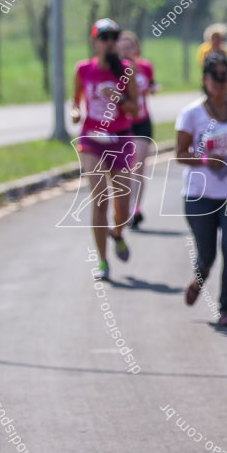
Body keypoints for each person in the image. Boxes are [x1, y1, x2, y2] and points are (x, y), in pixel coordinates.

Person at [175, 52, 227, 327]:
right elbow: (180, 154)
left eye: (225, 76)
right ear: (204, 80)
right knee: (207, 256)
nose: (220, 82)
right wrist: (206, 160)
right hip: (200, 196)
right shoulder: (192, 114)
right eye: (215, 77)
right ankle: (198, 281)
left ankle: (224, 309)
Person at [70, 18, 140, 281]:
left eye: (114, 37)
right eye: (104, 37)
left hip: (120, 138)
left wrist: (120, 99)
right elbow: (75, 100)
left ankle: (118, 234)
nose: (110, 42)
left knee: (122, 205)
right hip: (92, 140)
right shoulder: (83, 69)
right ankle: (102, 260)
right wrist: (76, 112)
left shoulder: (126, 70)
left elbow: (135, 109)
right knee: (100, 198)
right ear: (95, 41)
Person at [117, 31, 156, 230]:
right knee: (123, 169)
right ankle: (122, 208)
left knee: (138, 167)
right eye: (121, 48)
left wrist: (154, 88)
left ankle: (136, 208)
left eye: (129, 47)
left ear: (136, 49)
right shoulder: (115, 70)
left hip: (142, 122)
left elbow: (151, 85)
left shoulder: (145, 67)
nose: (125, 51)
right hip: (122, 124)